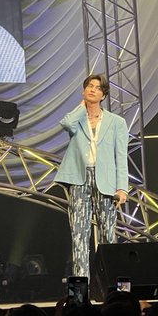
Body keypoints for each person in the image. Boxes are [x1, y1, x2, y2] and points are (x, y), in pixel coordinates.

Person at [54, 74, 129, 278]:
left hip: (106, 181)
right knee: (79, 234)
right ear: (83, 91)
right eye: (89, 86)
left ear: (103, 95)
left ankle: (109, 283)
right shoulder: (77, 119)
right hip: (80, 178)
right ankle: (81, 286)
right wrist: (82, 107)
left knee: (108, 235)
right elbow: (65, 123)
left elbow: (121, 157)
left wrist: (122, 187)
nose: (92, 89)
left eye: (97, 87)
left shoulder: (116, 122)